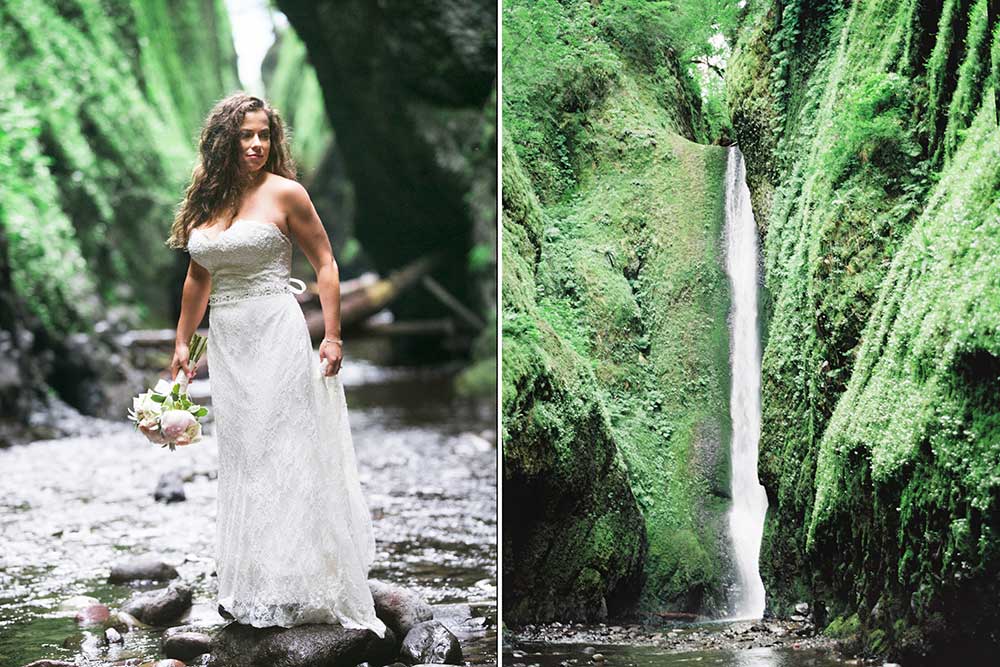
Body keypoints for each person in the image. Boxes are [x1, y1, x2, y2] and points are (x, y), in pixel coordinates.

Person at [163, 92, 386, 636]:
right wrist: (182, 346)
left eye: (264, 134)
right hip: (230, 341)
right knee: (244, 456)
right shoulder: (205, 200)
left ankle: (306, 581)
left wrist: (332, 335)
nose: (257, 144)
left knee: (285, 448)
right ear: (224, 141)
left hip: (277, 331)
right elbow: (198, 277)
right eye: (245, 135)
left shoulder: (287, 194)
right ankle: (253, 584)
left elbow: (327, 262)